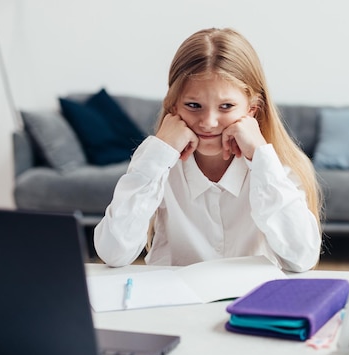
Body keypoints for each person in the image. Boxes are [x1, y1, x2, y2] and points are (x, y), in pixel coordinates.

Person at [94, 27, 322, 273]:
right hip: (175, 303)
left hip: (249, 301)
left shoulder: (277, 165)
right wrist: (159, 154)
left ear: (251, 110)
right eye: (194, 105)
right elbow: (113, 253)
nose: (208, 122)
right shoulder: (155, 160)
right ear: (174, 106)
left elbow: (302, 258)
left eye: (226, 106)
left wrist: (261, 158)